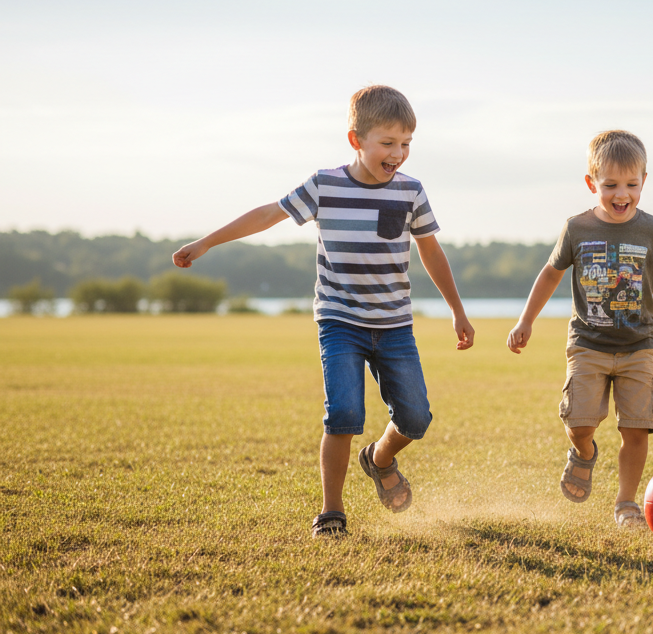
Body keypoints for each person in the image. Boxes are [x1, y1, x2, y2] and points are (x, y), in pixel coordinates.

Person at [171, 85, 474, 537]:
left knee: (415, 418)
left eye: (406, 143)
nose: (399, 154)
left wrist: (457, 310)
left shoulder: (411, 192)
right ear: (357, 140)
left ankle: (380, 458)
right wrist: (207, 242)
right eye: (387, 143)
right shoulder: (325, 184)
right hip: (339, 321)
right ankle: (332, 512)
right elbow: (267, 215)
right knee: (343, 414)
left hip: (393, 324)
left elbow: (431, 251)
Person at [506, 130, 653, 528]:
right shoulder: (576, 228)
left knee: (636, 429)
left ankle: (626, 502)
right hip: (588, 345)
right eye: (610, 185)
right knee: (579, 422)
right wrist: (526, 320)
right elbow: (549, 274)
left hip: (638, 347)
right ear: (591, 182)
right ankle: (583, 452)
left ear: (644, 181)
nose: (621, 194)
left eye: (631, 184)